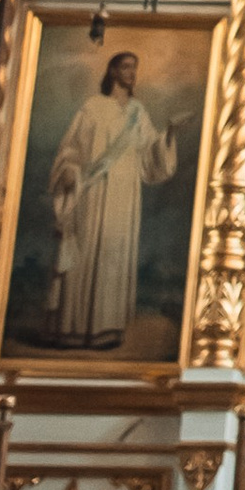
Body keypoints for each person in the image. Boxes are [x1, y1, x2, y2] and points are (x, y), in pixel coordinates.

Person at [44, 47, 182, 349]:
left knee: (113, 256)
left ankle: (106, 328)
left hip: (124, 195)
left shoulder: (137, 112)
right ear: (113, 71)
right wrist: (68, 169)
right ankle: (74, 328)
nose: (132, 73)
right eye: (126, 66)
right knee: (86, 252)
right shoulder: (93, 107)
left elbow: (150, 156)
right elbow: (71, 149)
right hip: (92, 193)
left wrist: (169, 133)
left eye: (135, 67)